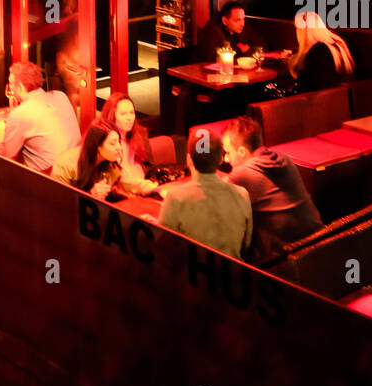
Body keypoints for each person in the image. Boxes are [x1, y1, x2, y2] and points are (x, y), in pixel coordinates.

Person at [222, 116, 321, 264]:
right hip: (319, 242)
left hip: (287, 261)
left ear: (242, 151)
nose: (226, 159)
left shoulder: (243, 175)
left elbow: (215, 201)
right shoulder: (284, 159)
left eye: (228, 152)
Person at [158, 130, 253, 259]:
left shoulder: (175, 198)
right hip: (232, 276)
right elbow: (246, 246)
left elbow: (164, 250)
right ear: (220, 159)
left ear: (189, 159)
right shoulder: (242, 195)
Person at [0, 61, 81, 173]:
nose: (10, 88)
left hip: (47, 181)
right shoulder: (61, 96)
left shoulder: (20, 114)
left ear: (19, 86)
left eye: (10, 83)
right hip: (77, 172)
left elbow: (2, 160)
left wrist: (0, 132)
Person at [99, 93, 157, 193]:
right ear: (112, 116)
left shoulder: (140, 135)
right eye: (123, 114)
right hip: (122, 193)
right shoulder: (106, 143)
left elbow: (150, 167)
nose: (129, 118)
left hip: (146, 189)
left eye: (132, 112)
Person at [53, 121, 124, 199]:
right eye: (112, 143)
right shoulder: (66, 164)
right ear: (97, 146)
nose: (119, 148)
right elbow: (58, 199)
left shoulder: (110, 164)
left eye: (119, 141)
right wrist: (90, 194)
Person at [291, 10, 355, 92]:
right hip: (344, 97)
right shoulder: (338, 44)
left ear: (302, 31)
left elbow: (307, 87)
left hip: (328, 101)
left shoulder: (318, 52)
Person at [196, 1, 264, 61]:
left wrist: (246, 50)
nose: (242, 24)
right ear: (225, 21)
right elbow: (212, 58)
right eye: (237, 20)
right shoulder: (212, 29)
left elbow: (260, 46)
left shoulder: (243, 25)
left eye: (243, 19)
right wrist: (239, 49)